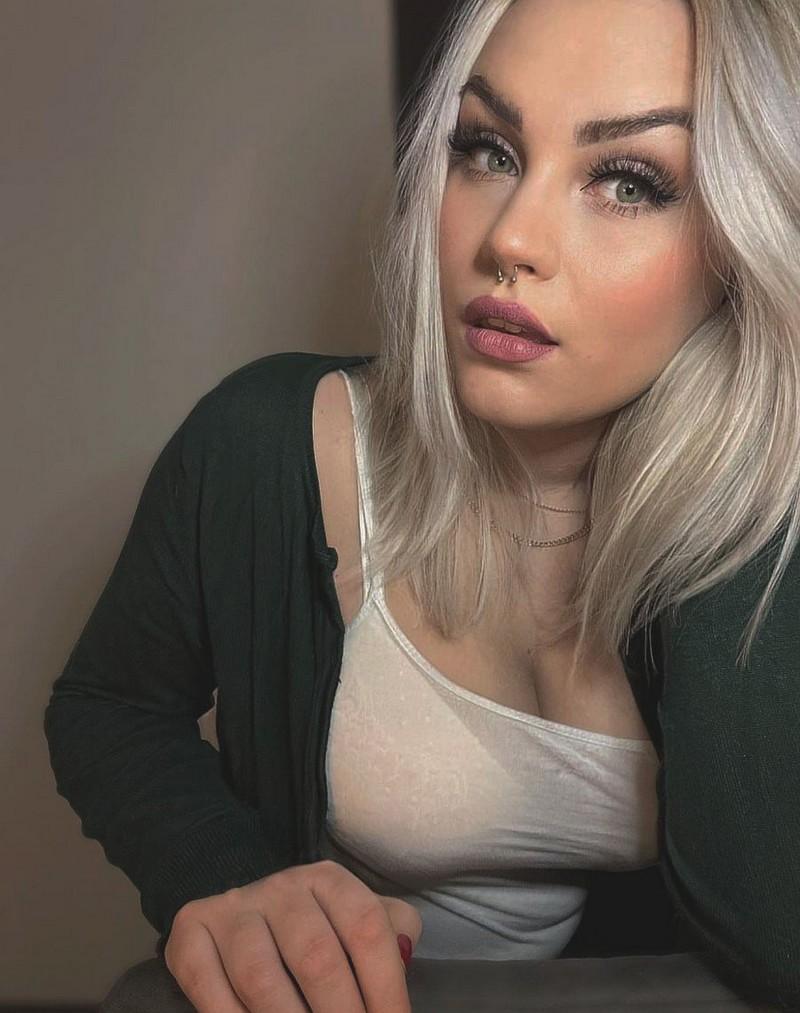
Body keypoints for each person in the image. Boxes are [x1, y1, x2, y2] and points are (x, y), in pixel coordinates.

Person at [45, 0, 800, 1010]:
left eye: (628, 181)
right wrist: (227, 875)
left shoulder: (759, 520)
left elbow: (773, 937)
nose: (511, 237)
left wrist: (750, 473)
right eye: (488, 150)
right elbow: (109, 705)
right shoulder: (263, 444)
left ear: (745, 240)